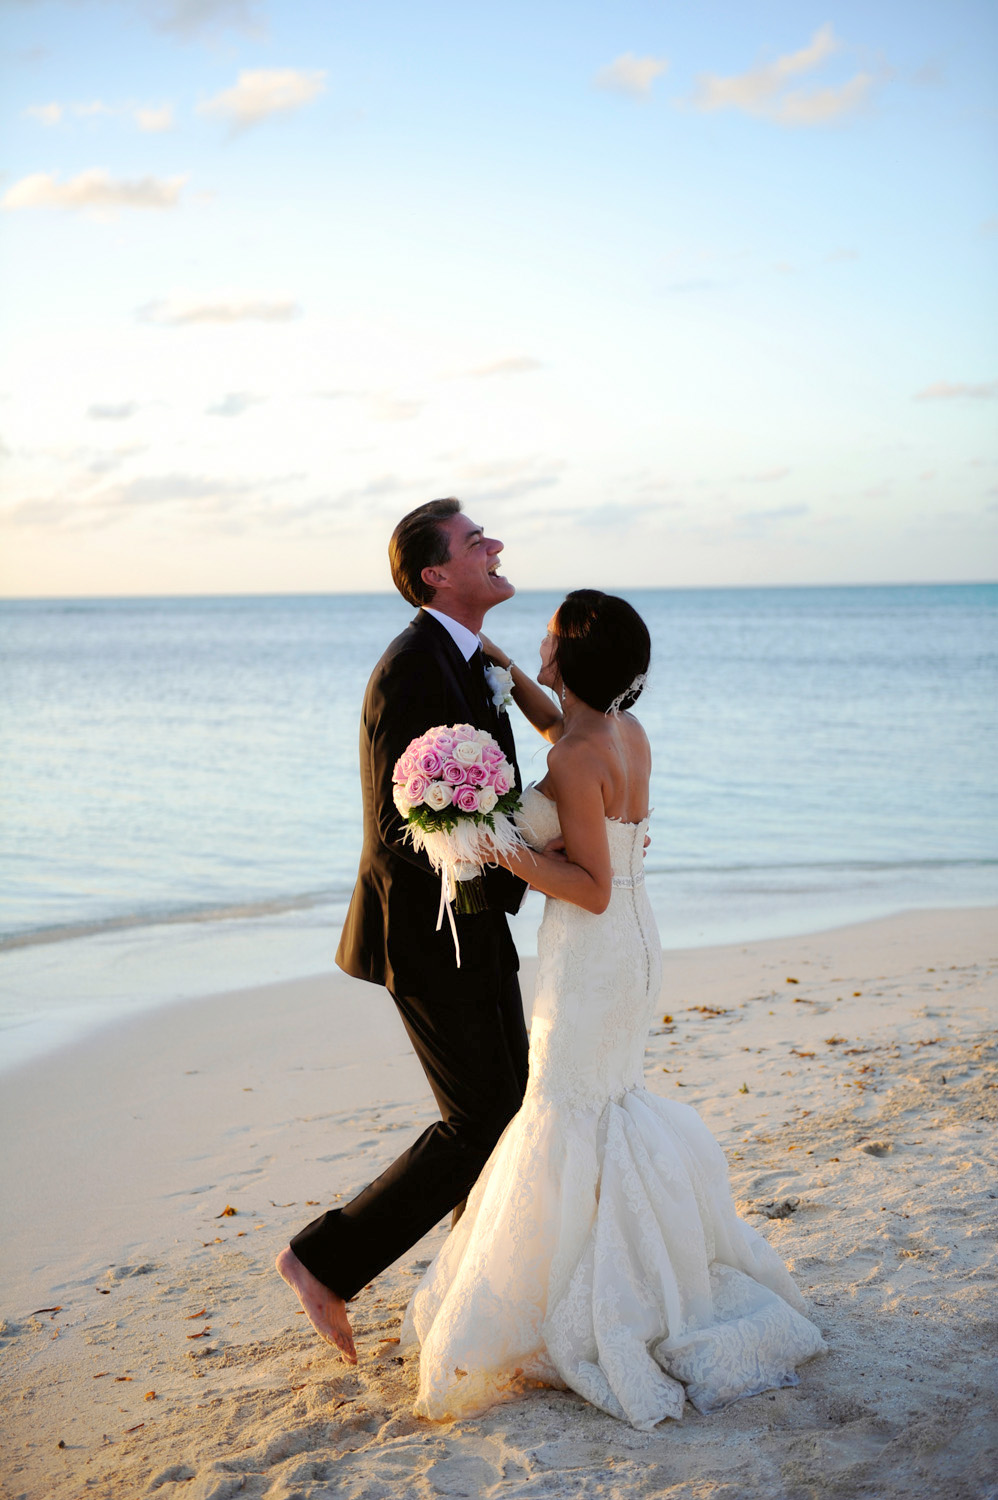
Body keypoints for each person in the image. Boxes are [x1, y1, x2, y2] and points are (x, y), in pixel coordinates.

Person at [401, 590, 826, 1429]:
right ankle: (627, 1269)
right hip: (639, 945)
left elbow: (587, 890)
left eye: (549, 641)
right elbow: (572, 735)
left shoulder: (572, 762)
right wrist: (512, 676)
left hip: (592, 953)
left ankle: (586, 1301)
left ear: (572, 661)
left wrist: (504, 847)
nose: (540, 647)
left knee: (563, 1108)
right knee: (607, 1105)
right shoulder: (623, 735)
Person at [277, 498, 530, 1362]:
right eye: (474, 542)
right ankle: (320, 1261)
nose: (493, 545)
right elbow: (398, 824)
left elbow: (486, 792)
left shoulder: (471, 661)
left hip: (478, 919)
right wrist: (513, 848)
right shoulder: (410, 668)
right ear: (435, 574)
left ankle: (476, 1287)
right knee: (481, 1117)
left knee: (513, 1112)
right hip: (423, 932)